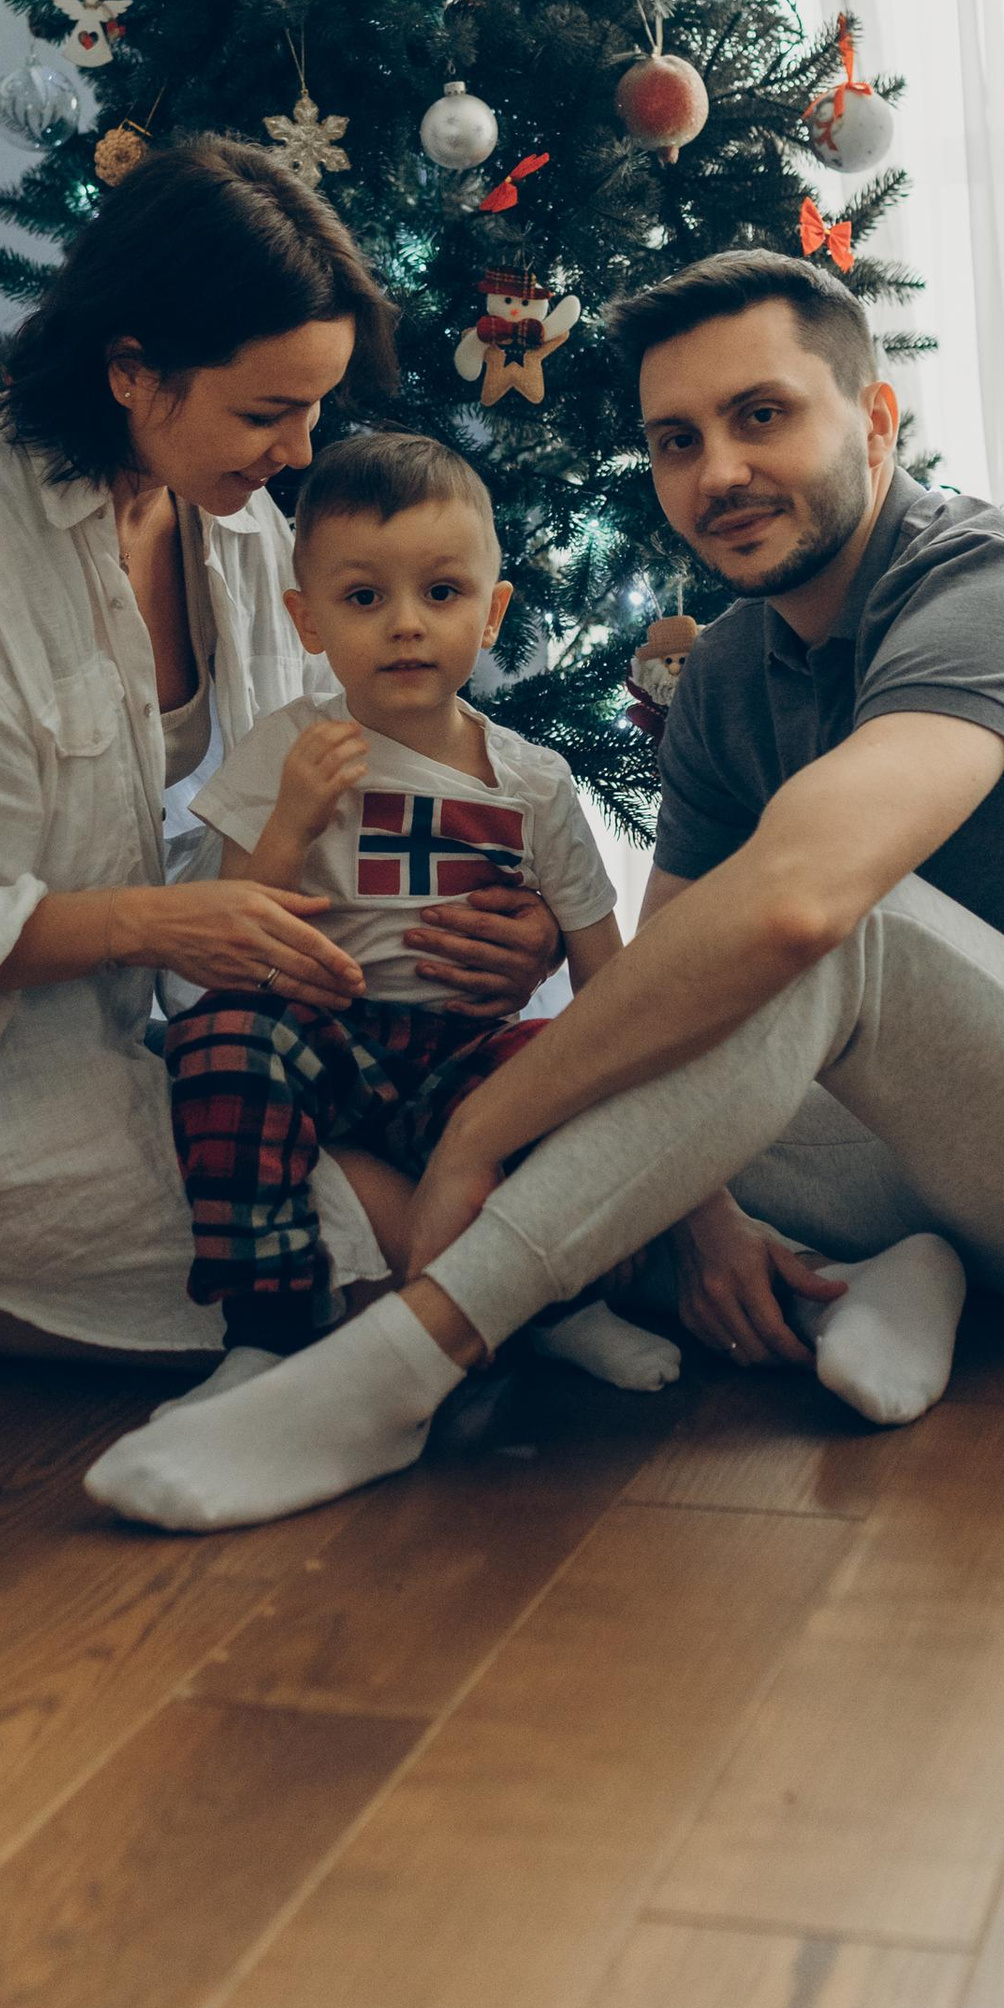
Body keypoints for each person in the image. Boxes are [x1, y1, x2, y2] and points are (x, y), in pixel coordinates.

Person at [86, 248, 1004, 1533]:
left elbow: (800, 907)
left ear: (876, 419)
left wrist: (482, 1133)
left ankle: (393, 1375)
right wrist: (706, 1212)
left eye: (762, 416)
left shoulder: (986, 598)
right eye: (675, 441)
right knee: (635, 1048)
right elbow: (666, 983)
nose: (717, 472)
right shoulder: (733, 672)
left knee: (842, 932)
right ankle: (880, 1276)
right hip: (935, 1154)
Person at [0, 141, 558, 1396]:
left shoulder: (229, 515)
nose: (297, 451)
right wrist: (149, 926)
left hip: (156, 1034)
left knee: (502, 1173)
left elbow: (339, 772)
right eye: (267, 412)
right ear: (130, 371)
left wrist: (518, 925)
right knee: (404, 1240)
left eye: (314, 408)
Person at [162, 425, 671, 1403]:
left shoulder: (532, 780)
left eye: (441, 593)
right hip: (329, 1035)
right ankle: (262, 1330)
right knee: (223, 1039)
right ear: (307, 621)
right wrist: (294, 819)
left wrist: (600, 1073)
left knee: (566, 1071)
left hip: (463, 1055)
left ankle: (571, 1311)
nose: (405, 624)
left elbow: (606, 971)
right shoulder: (289, 746)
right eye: (364, 598)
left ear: (491, 614)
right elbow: (237, 935)